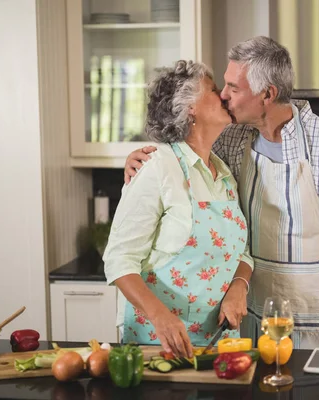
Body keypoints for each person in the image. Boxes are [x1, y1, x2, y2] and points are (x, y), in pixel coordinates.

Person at [124, 37, 319, 349]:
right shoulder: (232, 139)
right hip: (248, 306)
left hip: (316, 307)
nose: (223, 94)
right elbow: (183, 149)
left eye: (233, 87)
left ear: (267, 94)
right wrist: (141, 159)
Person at [103, 60, 253, 358]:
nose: (223, 94)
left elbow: (241, 252)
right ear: (190, 108)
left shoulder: (222, 173)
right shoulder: (156, 166)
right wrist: (161, 317)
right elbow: (119, 260)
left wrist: (239, 286)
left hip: (218, 342)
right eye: (212, 89)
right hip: (159, 342)